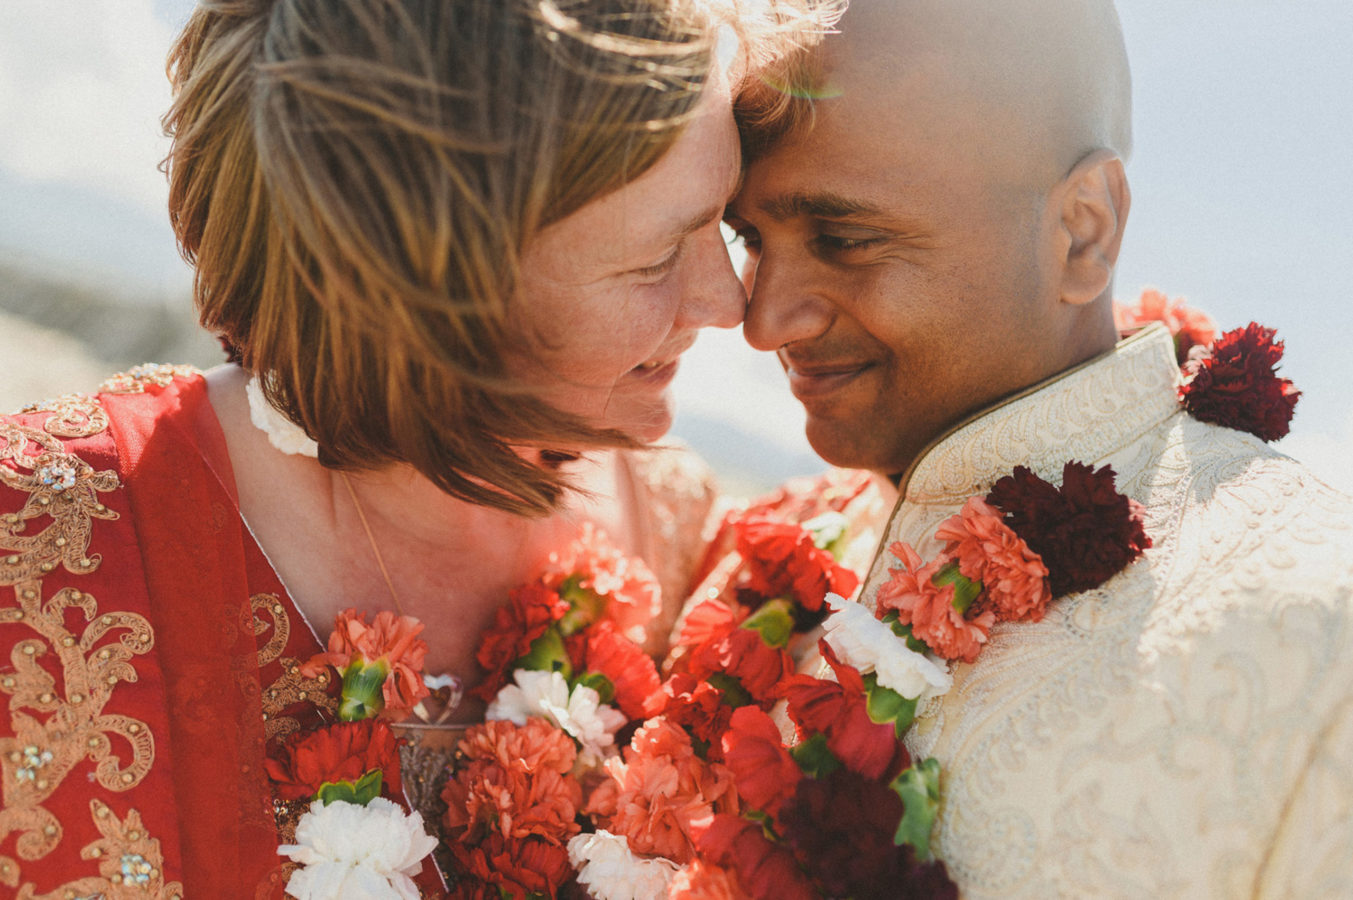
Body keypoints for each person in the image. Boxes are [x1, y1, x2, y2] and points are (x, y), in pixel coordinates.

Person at [0, 0, 827, 894]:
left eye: (726, 226)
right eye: (657, 257)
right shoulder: (42, 549)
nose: (729, 303)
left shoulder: (689, 548)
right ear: (425, 293)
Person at [723, 0, 1353, 896]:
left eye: (845, 238)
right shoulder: (750, 571)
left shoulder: (1322, 629)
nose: (761, 318)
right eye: (747, 237)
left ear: (1081, 232)